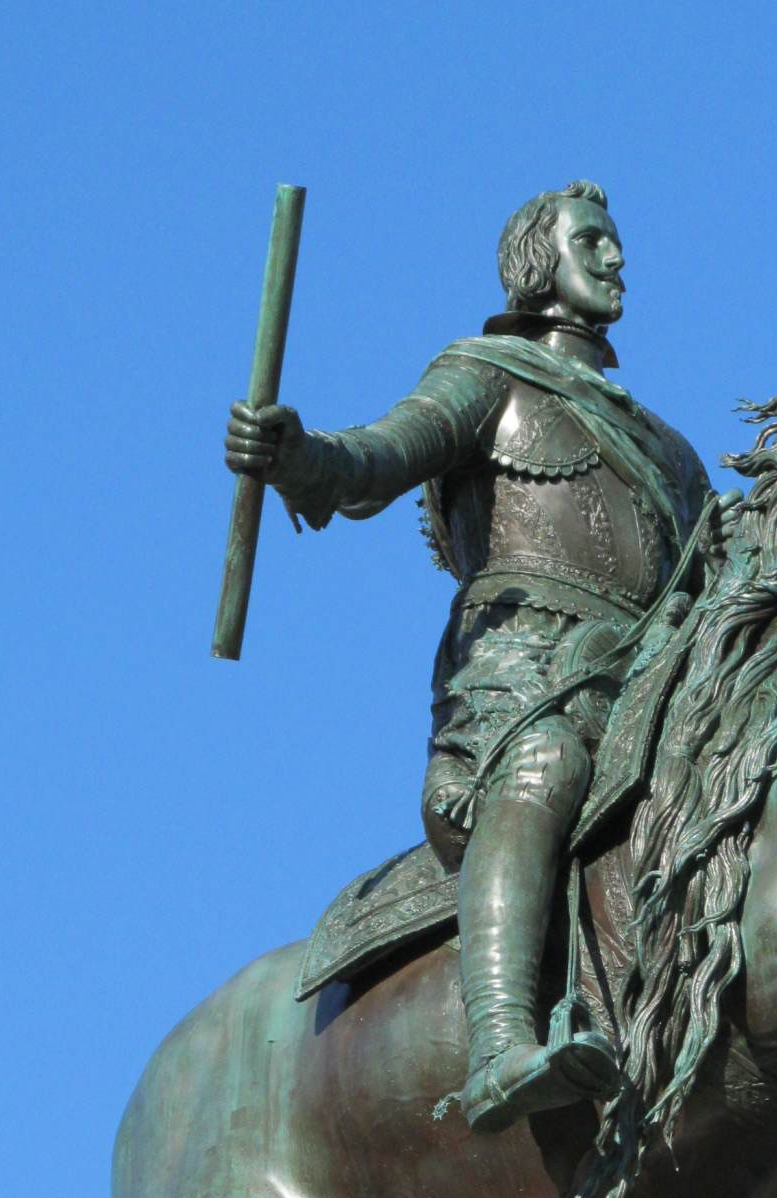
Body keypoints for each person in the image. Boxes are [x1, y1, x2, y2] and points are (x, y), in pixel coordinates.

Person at [226, 180, 722, 1134]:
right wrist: (299, 455)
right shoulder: (485, 373)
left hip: (653, 691)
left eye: (617, 243)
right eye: (593, 241)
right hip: (528, 683)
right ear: (538, 263)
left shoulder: (671, 451)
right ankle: (501, 1047)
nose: (617, 258)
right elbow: (380, 454)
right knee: (543, 769)